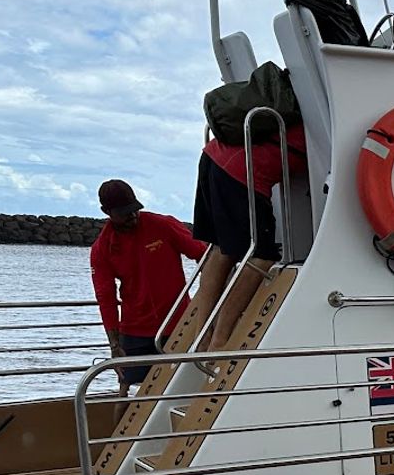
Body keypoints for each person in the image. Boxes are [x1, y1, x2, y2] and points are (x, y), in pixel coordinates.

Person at [191, 124, 308, 357]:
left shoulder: (296, 116)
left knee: (222, 248)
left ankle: (201, 337)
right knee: (263, 256)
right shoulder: (315, 126)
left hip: (213, 156)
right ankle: (220, 341)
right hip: (242, 172)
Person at [89, 179, 206, 391]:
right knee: (125, 389)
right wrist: (115, 345)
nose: (132, 216)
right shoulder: (102, 248)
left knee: (187, 382)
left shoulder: (163, 225)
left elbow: (202, 254)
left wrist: (210, 296)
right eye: (124, 212)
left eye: (134, 209)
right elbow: (105, 298)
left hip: (178, 322)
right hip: (135, 330)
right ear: (107, 212)